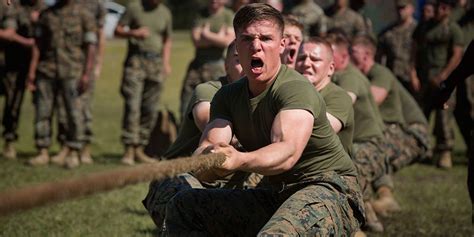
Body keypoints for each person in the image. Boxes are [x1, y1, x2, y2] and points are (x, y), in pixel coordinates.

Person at [162, 4, 365, 236]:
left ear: (282, 45)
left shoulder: (295, 88)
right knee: (184, 205)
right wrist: (211, 160)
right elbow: (208, 149)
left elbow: (286, 152)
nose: (256, 47)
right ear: (236, 45)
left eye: (266, 39)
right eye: (247, 39)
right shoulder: (227, 97)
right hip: (276, 192)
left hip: (329, 188)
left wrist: (238, 159)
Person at [326, 32, 392, 232]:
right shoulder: (338, 76)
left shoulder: (349, 77)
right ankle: (367, 217)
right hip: (357, 143)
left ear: (343, 58)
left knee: (349, 172)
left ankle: (354, 224)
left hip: (371, 143)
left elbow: (345, 102)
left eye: (330, 55)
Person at [26, 0, 97, 168]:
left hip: (73, 71)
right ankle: (42, 151)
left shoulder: (84, 14)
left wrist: (87, 74)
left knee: (74, 113)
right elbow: (38, 44)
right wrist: (32, 70)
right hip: (47, 70)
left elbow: (91, 46)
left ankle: (73, 151)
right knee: (42, 111)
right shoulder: (47, 15)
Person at [115, 0, 172, 165]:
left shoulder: (165, 12)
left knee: (150, 108)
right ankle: (128, 150)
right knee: (132, 106)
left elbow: (167, 39)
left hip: (155, 64)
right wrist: (133, 33)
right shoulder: (134, 8)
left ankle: (140, 148)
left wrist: (166, 63)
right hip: (136, 62)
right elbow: (117, 30)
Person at [411, 0, 464, 168]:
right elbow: (414, 51)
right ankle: (421, 149)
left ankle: (444, 152)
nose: (441, 10)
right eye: (439, 7)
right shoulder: (424, 27)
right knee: (420, 116)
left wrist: (444, 75)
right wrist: (413, 74)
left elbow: (457, 55)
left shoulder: (453, 28)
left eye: (445, 7)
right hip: (424, 79)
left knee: (443, 117)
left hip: (444, 80)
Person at [55, 0, 106, 166]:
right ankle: (67, 147)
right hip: (62, 68)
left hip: (82, 68)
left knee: (82, 111)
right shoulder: (61, 9)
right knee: (64, 111)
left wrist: (94, 67)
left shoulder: (91, 8)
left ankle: (82, 148)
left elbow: (97, 39)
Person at [179, 0, 234, 119]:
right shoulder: (200, 14)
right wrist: (218, 37)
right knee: (186, 104)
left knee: (218, 104)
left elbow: (228, 41)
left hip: (217, 66)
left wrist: (206, 34)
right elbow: (197, 41)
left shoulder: (228, 15)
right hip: (198, 65)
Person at [1, 0, 37, 160]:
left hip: (30, 65)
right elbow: (9, 33)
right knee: (11, 104)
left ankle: (11, 141)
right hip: (9, 63)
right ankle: (9, 141)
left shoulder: (42, 8)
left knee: (15, 105)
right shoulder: (13, 5)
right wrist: (27, 42)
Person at [377, 0, 417, 93]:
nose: (400, 11)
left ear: (411, 9)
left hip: (411, 79)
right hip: (393, 78)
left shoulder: (418, 30)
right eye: (398, 8)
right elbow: (379, 57)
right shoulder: (388, 33)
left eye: (403, 8)